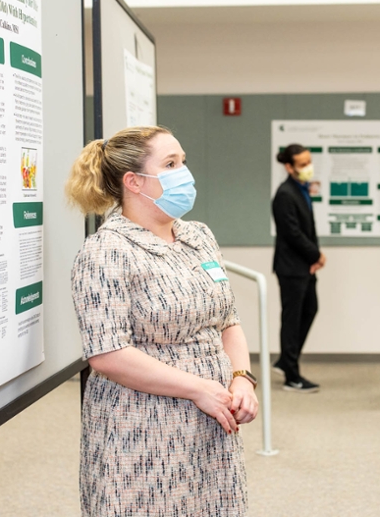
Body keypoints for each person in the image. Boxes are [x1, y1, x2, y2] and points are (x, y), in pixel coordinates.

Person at [66, 126, 259, 516]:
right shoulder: (105, 251)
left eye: (183, 161)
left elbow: (228, 320)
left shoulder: (199, 236)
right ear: (134, 182)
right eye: (170, 164)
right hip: (142, 422)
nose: (184, 173)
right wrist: (196, 389)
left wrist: (241, 377)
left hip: (212, 417)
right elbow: (107, 353)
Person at [271, 144, 325, 393]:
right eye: (302, 164)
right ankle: (292, 375)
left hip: (304, 265)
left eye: (308, 161)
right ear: (289, 167)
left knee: (310, 309)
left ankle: (286, 360)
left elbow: (307, 229)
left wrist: (313, 257)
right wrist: (316, 254)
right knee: (292, 319)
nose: (308, 167)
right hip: (291, 267)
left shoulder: (300, 189)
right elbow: (292, 233)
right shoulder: (285, 194)